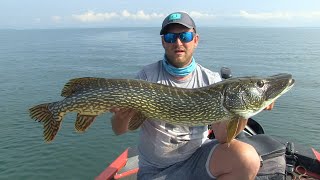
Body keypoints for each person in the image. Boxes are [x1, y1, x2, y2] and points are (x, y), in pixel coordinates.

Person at [111, 12, 274, 180]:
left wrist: (242, 113)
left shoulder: (211, 80)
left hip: (198, 159)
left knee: (247, 159)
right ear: (163, 42)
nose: (178, 42)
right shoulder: (147, 77)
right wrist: (122, 117)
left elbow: (223, 137)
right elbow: (119, 129)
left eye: (185, 36)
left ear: (195, 40)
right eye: (170, 37)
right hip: (156, 170)